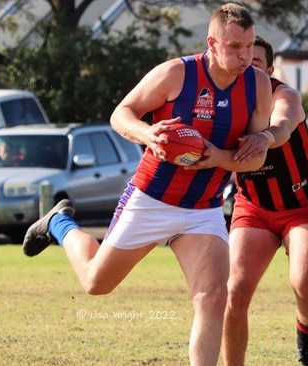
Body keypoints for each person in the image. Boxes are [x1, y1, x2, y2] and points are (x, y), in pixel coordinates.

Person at [22, 3, 272, 366]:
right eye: (235, 47)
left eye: (249, 46)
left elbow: (254, 157)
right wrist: (147, 134)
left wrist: (238, 151)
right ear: (212, 43)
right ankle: (59, 223)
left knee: (212, 297)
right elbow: (121, 113)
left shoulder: (258, 84)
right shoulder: (176, 73)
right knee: (96, 283)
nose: (245, 56)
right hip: (151, 199)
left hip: (203, 209)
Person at [222, 36, 308, 366]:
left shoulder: (285, 94)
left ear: (269, 70)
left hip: (302, 204)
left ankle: (306, 334)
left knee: (306, 284)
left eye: (255, 64)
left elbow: (283, 124)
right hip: (254, 207)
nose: (246, 68)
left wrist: (265, 137)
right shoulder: (225, 103)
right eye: (240, 60)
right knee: (234, 294)